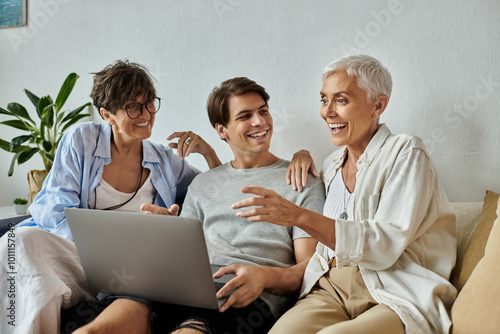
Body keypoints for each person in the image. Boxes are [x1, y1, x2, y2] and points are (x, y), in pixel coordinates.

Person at [232, 55, 457, 333]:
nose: (327, 112)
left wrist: (299, 216)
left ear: (378, 105)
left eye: (341, 100)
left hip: (391, 291)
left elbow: (383, 244)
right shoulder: (330, 164)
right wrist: (301, 155)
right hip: (329, 289)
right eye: (324, 100)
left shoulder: (406, 152)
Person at [82, 77, 326, 333]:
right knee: (92, 331)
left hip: (243, 295)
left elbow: (310, 269)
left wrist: (265, 276)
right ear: (222, 130)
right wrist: (165, 230)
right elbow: (184, 255)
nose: (260, 122)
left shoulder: (300, 180)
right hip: (181, 286)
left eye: (263, 111)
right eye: (245, 116)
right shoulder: (202, 184)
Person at [0, 60, 221, 334]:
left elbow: (212, 195)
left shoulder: (164, 160)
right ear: (107, 114)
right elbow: (54, 210)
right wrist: (98, 249)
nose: (146, 113)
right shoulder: (81, 140)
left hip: (136, 267)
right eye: (133, 106)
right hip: (79, 255)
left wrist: (209, 153)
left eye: (150, 102)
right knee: (17, 241)